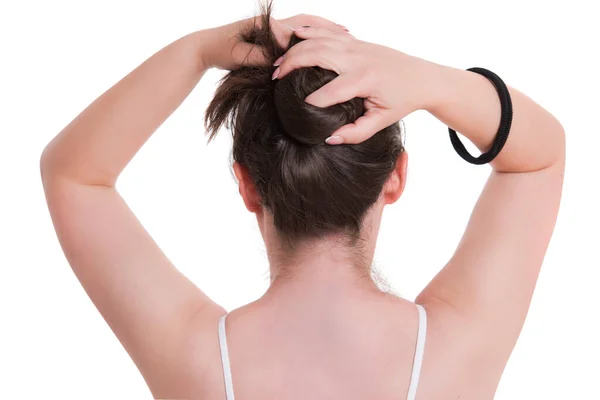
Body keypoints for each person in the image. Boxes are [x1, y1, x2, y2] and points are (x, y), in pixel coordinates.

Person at [40, 2, 565, 399]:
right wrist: (429, 81)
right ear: (395, 178)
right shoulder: (455, 351)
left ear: (245, 184)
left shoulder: (198, 361)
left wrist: (198, 50)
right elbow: (539, 155)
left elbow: (74, 176)